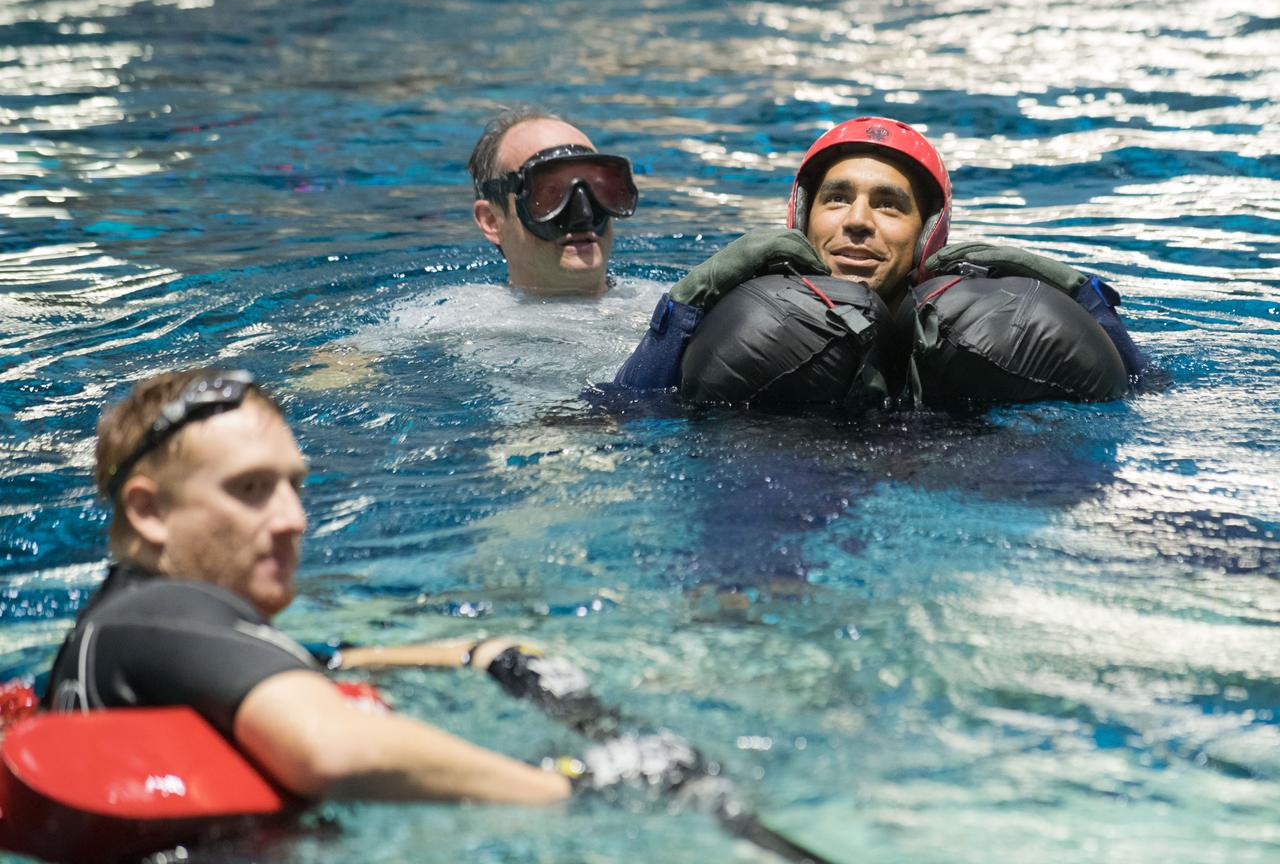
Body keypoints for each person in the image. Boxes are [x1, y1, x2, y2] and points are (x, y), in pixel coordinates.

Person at [42, 367, 571, 805]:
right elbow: (330, 749)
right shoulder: (161, 612)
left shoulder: (119, 624)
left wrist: (472, 654)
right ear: (149, 511)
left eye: (294, 485)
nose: (293, 519)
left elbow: (274, 661)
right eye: (249, 488)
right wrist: (567, 787)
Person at [613, 115, 1150, 393]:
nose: (857, 221)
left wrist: (1085, 301)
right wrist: (682, 309)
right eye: (837, 198)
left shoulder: (975, 335)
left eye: (889, 205)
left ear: (927, 234)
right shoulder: (732, 321)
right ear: (801, 219)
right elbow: (623, 417)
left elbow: (1148, 400)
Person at [469, 107, 638, 296]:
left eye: (597, 189)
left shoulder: (670, 307)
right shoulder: (452, 320)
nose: (584, 214)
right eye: (549, 193)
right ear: (491, 220)